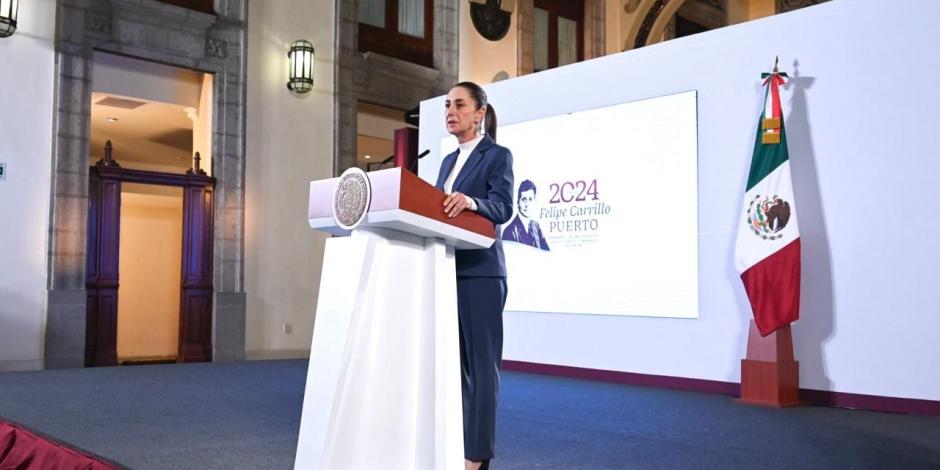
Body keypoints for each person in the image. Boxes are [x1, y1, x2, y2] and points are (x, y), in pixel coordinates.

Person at [435, 81, 514, 470]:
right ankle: (456, 443)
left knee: (482, 372)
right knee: (454, 371)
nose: (451, 111)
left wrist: (471, 201)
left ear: (480, 112)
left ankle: (476, 457)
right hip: (447, 271)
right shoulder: (447, 162)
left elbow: (503, 208)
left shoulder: (497, 156)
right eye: (447, 105)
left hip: (481, 274)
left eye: (460, 105)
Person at [502, 179, 550, 251]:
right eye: (524, 199)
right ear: (518, 202)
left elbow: (547, 254)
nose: (527, 204)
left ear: (534, 201)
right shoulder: (510, 231)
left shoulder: (536, 227)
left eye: (530, 199)